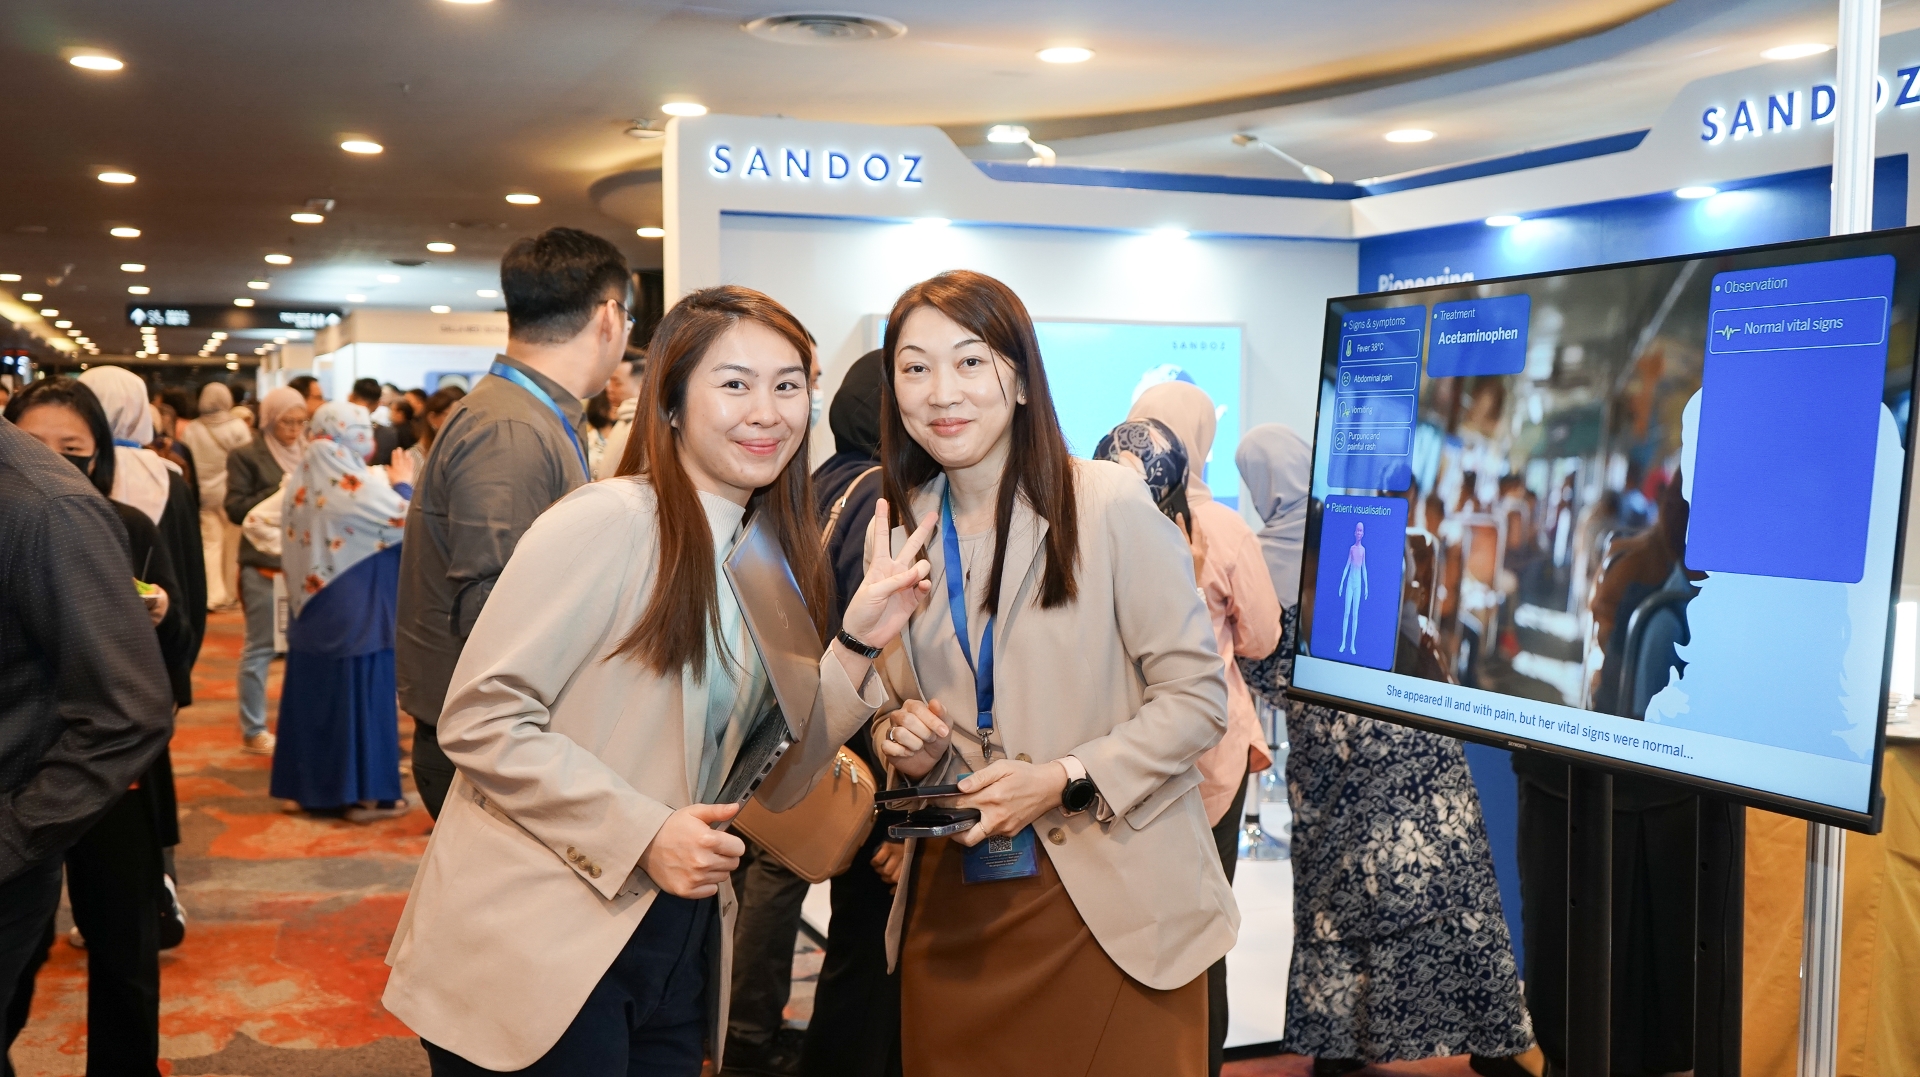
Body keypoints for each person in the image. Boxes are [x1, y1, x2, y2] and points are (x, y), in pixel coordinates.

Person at [383, 284, 927, 1075]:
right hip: (547, 932)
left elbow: (776, 773)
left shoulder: (765, 550)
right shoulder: (610, 520)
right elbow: (481, 716)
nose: (767, 412)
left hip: (678, 935)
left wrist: (858, 640)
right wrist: (643, 831)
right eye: (735, 383)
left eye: (788, 385)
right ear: (670, 401)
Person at [865, 271, 1231, 1077]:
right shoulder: (903, 525)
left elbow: (1198, 700)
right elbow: (901, 701)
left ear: (1024, 379)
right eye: (915, 367)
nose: (942, 392)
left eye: (970, 361)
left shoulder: (1107, 503)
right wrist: (909, 743)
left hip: (1108, 898)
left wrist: (1063, 776)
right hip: (958, 901)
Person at [1232, 424, 1541, 1077]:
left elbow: (1262, 659)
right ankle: (1492, 1041)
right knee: (1452, 885)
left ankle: (1339, 1044)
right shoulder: (1354, 526)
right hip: (1408, 729)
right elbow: (1402, 620)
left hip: (1332, 748)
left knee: (1337, 896)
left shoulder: (1251, 554)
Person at [397, 227, 630, 819]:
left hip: (504, 736)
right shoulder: (512, 429)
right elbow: (495, 609)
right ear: (609, 316)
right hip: (494, 748)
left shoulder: (527, 413)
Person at [5, 379, 197, 1072]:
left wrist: (160, 615)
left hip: (109, 769)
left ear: (100, 453)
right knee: (24, 947)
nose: (53, 460)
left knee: (122, 939)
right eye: (35, 444)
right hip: (25, 768)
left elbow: (175, 650)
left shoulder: (114, 522)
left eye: (73, 448)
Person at [1119, 379, 1288, 1077]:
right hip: (1209, 754)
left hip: (1121, 755)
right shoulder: (1223, 529)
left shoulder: (1096, 515)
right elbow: (1262, 636)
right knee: (1205, 927)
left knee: (1126, 924)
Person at [796, 348, 905, 1077]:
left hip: (820, 726)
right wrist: (897, 814)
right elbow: (891, 653)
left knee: (852, 944)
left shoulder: (819, 483)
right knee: (874, 957)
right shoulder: (882, 495)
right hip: (872, 737)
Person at [269, 401, 412, 823]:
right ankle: (362, 794)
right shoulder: (349, 479)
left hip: (313, 604)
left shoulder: (306, 471)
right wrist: (404, 484)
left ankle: (304, 789)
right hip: (356, 607)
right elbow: (407, 520)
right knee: (358, 694)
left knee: (313, 697)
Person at [226, 386, 308, 754]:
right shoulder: (247, 455)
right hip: (264, 565)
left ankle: (296, 722)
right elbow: (235, 508)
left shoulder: (310, 453)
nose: (294, 429)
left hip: (304, 566)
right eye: (286, 422)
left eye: (300, 422)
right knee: (260, 648)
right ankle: (254, 728)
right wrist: (280, 493)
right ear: (270, 420)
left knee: (302, 649)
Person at [180, 382, 253, 610]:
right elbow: (247, 461)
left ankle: (213, 595)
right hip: (231, 492)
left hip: (204, 494)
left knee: (210, 544)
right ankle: (231, 593)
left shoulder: (192, 429)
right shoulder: (238, 427)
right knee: (232, 546)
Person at [596, 347, 647, 478]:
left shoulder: (643, 426)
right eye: (609, 382)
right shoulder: (625, 417)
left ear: (641, 386)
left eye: (617, 383)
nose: (609, 389)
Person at [406, 385, 465, 480]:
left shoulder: (465, 454)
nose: (461, 422)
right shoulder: (413, 459)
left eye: (465, 416)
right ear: (432, 418)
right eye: (453, 416)